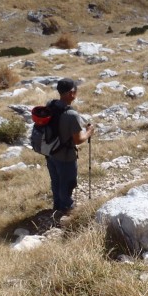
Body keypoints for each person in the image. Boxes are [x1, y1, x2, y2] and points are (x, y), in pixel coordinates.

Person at [46, 78, 94, 213]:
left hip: (50, 152)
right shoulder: (71, 115)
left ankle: (57, 205)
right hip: (66, 156)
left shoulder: (51, 105)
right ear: (71, 93)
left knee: (56, 181)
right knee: (67, 183)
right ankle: (67, 207)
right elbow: (78, 139)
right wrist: (89, 132)